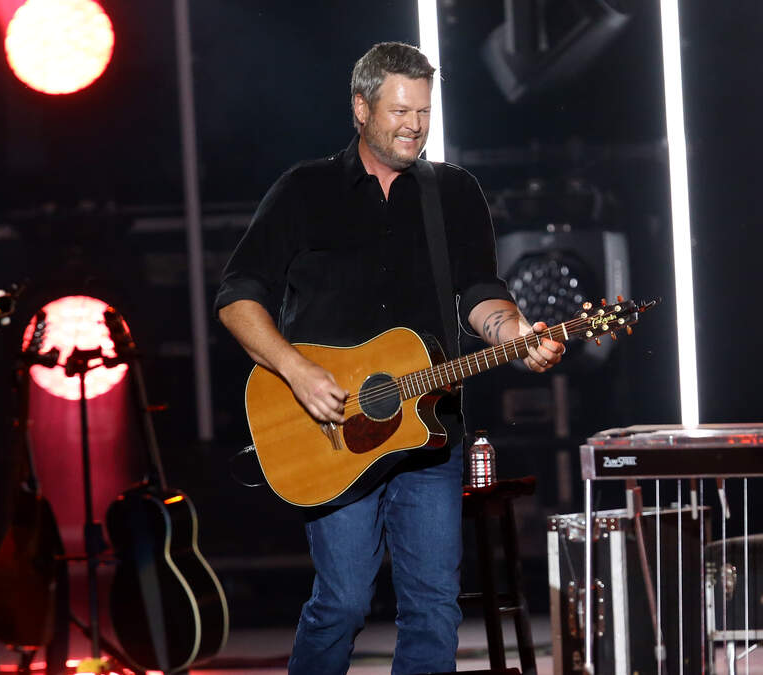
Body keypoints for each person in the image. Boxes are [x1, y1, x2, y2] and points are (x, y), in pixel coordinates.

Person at [215, 42, 565, 674]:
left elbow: (480, 292)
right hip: (331, 429)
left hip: (430, 435)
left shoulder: (453, 191)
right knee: (344, 603)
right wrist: (295, 370)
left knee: (433, 607)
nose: (414, 125)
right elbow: (238, 298)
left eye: (424, 112)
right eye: (400, 111)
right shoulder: (304, 189)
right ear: (361, 108)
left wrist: (515, 332)